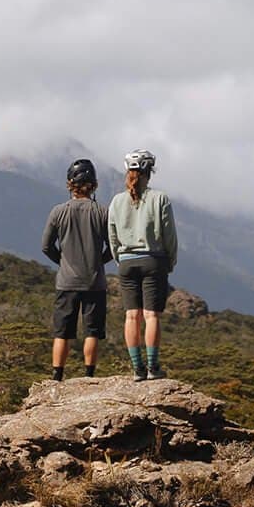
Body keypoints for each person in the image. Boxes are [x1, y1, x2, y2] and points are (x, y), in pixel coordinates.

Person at [108, 149, 178, 379]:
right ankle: (153, 367)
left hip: (126, 262)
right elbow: (169, 235)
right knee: (151, 316)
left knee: (131, 316)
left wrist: (120, 257)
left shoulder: (117, 201)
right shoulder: (160, 199)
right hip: (153, 260)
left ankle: (137, 368)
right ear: (150, 171)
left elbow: (112, 235)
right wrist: (170, 261)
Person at [40, 157, 110, 380]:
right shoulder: (102, 212)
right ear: (93, 185)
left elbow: (46, 246)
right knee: (92, 331)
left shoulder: (58, 211)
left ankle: (57, 376)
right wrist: (99, 261)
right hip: (94, 281)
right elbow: (115, 246)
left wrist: (62, 262)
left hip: (66, 282)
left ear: (70, 184)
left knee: (62, 332)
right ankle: (88, 375)